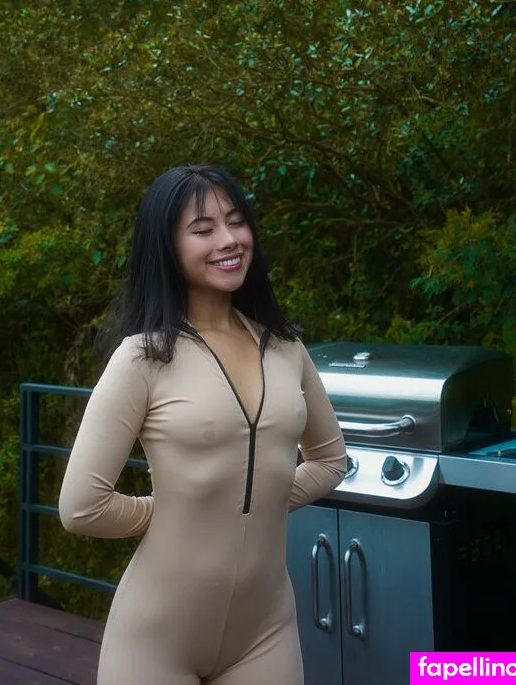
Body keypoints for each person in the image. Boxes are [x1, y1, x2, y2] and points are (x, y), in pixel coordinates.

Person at [58, 164, 347, 685]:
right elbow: (81, 507)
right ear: (167, 247)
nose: (229, 240)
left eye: (236, 222)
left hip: (267, 633)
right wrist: (173, 513)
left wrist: (259, 499)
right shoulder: (143, 358)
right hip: (156, 636)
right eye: (203, 229)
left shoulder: (286, 348)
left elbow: (331, 462)